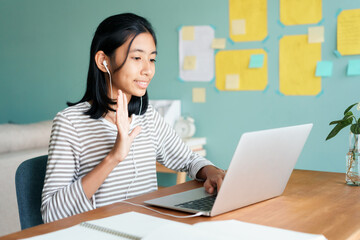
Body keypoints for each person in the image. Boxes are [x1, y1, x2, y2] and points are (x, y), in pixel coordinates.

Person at [41, 13, 225, 223]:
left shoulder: (147, 117)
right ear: (103, 61)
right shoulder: (69, 123)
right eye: (137, 58)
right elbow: (51, 213)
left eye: (152, 59)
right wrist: (114, 157)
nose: (148, 70)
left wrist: (211, 171)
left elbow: (189, 160)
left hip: (148, 227)